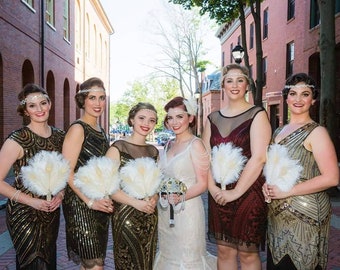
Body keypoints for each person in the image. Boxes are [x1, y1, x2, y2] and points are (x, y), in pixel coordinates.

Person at [262, 73, 339, 270]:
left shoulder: (317, 132)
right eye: (292, 93)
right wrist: (267, 185)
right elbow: (275, 169)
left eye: (305, 94)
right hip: (277, 217)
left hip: (306, 218)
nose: (298, 99)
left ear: (313, 100)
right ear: (285, 97)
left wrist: (288, 191)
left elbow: (332, 177)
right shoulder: (278, 132)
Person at [202, 64, 271, 270]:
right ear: (222, 85)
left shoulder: (257, 115)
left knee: (247, 253)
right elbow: (205, 158)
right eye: (229, 80)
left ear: (247, 85)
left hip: (249, 192)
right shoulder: (212, 118)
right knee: (224, 251)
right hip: (219, 193)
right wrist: (212, 189)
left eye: (240, 80)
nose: (234, 85)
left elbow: (259, 158)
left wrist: (236, 193)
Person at [0, 84, 65, 269]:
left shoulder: (60, 137)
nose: (39, 109)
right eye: (32, 105)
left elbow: (66, 172)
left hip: (51, 211)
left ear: (50, 104)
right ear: (25, 110)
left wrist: (60, 195)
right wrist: (32, 201)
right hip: (23, 212)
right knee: (32, 262)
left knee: (48, 260)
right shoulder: (17, 139)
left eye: (43, 103)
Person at [153, 96, 217, 270]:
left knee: (188, 258)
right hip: (166, 212)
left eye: (180, 116)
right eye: (170, 117)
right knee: (169, 256)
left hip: (188, 212)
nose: (174, 122)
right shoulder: (168, 144)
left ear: (190, 118)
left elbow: (202, 183)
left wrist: (180, 196)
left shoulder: (196, 145)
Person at [62, 77, 113, 269]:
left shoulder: (100, 129)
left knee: (92, 262)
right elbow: (67, 172)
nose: (98, 103)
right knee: (94, 264)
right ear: (83, 100)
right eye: (92, 98)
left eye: (102, 98)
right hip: (80, 203)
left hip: (99, 202)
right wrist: (90, 201)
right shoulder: (78, 128)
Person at [105, 102, 159, 270]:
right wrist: (137, 203)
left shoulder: (153, 151)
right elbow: (109, 187)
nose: (146, 124)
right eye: (141, 118)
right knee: (128, 261)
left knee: (146, 261)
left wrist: (154, 198)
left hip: (149, 215)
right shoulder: (117, 148)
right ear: (131, 120)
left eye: (151, 120)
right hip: (126, 213)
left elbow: (156, 183)